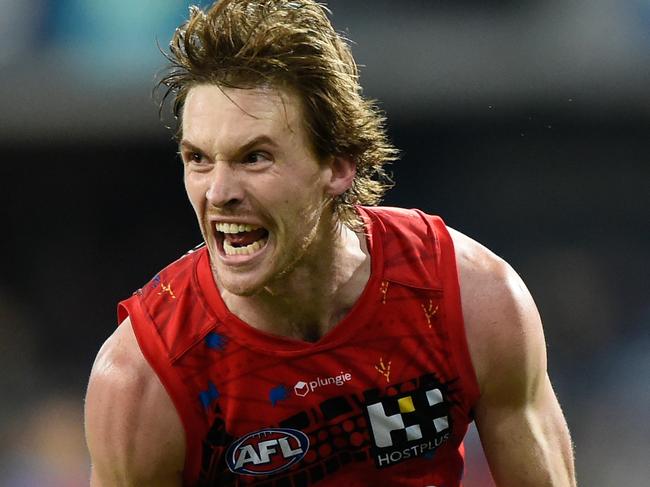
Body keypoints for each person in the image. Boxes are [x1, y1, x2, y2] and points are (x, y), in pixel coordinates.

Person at [84, 1, 577, 486]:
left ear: (338, 166)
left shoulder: (472, 299)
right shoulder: (144, 380)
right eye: (198, 158)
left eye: (254, 157)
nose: (219, 192)